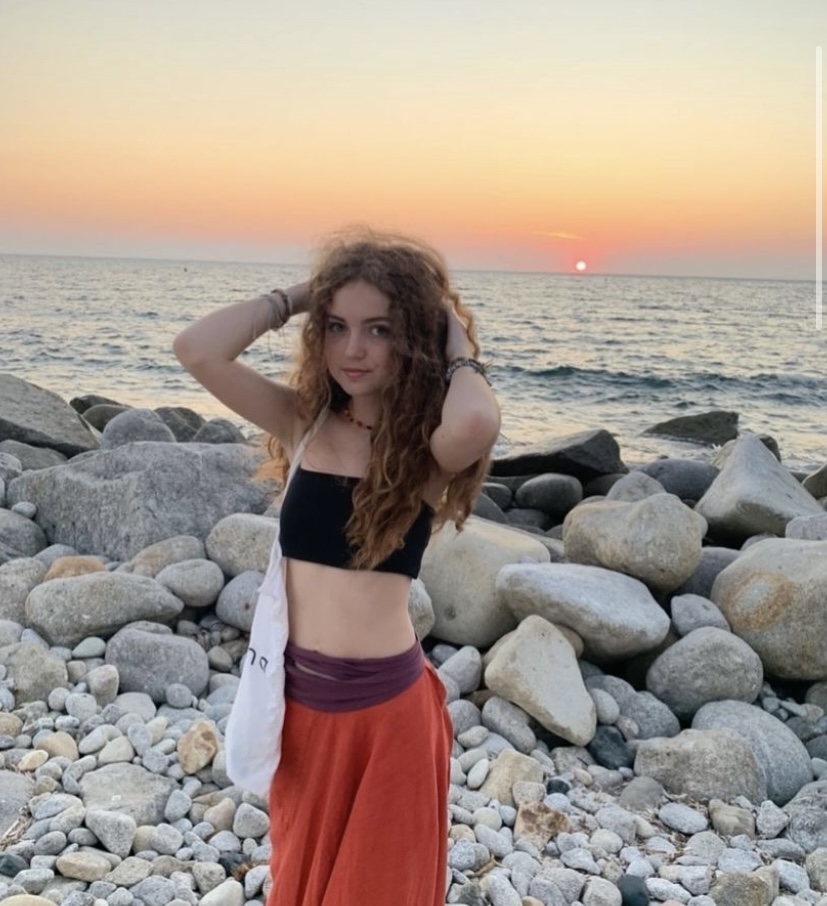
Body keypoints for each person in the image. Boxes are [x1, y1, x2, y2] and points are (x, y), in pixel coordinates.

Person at [173, 228, 500, 906]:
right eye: (337, 327)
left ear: (412, 338)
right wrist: (301, 296)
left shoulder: (425, 450)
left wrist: (457, 347)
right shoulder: (307, 421)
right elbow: (197, 348)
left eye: (379, 329)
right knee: (302, 881)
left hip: (386, 715)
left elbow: (476, 423)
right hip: (299, 706)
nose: (354, 349)